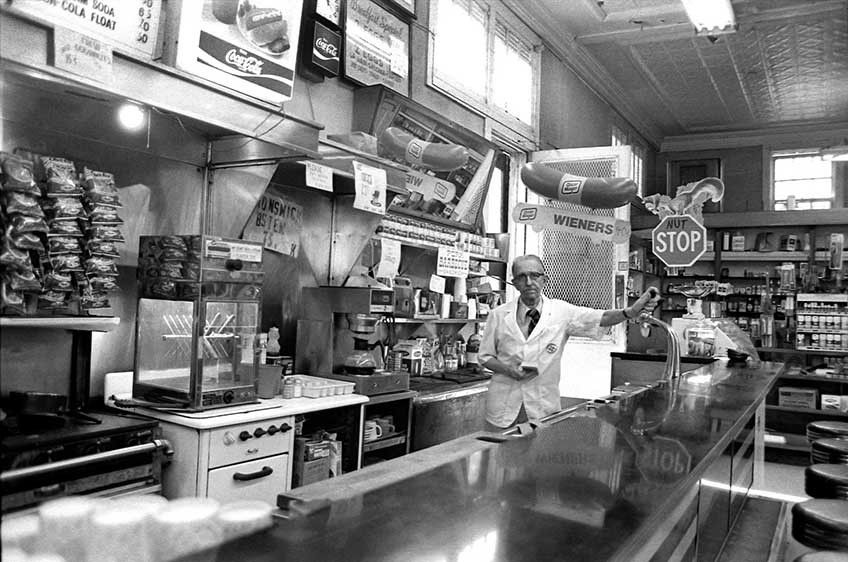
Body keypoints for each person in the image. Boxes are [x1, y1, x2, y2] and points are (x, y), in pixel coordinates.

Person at [479, 254, 660, 430]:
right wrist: (509, 370)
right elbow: (485, 357)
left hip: (542, 405)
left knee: (539, 449)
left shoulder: (561, 312)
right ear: (514, 282)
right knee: (498, 449)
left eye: (534, 275)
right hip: (503, 405)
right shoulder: (499, 315)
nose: (528, 282)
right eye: (521, 276)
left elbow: (600, 318)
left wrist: (630, 312)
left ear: (544, 279)